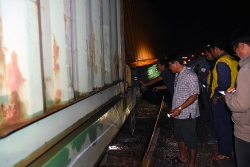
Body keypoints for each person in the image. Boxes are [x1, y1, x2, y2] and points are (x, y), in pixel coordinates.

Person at [167, 54, 199, 167]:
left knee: (190, 140)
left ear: (176, 63)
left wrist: (180, 108)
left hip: (187, 114)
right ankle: (182, 157)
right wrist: (174, 107)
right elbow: (179, 94)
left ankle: (191, 165)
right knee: (179, 136)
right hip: (177, 113)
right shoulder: (178, 75)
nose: (169, 68)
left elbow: (194, 95)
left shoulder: (190, 75)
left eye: (170, 65)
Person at [209, 38, 239, 161]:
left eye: (211, 51)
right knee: (229, 125)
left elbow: (224, 83)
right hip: (233, 97)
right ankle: (226, 147)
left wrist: (216, 95)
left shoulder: (221, 62)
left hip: (222, 99)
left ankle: (225, 153)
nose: (211, 54)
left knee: (222, 126)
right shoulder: (233, 60)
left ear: (216, 49)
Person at [225, 27, 250, 167]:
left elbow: (241, 105)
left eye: (235, 49)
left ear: (241, 45)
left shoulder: (246, 68)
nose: (236, 53)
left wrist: (228, 96)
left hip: (246, 133)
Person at [203, 46, 218, 145]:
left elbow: (221, 83)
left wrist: (215, 95)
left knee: (216, 119)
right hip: (212, 93)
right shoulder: (212, 63)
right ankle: (214, 134)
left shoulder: (218, 64)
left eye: (208, 54)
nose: (207, 57)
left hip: (216, 96)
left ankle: (216, 137)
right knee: (213, 117)